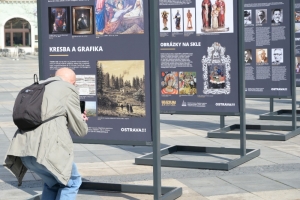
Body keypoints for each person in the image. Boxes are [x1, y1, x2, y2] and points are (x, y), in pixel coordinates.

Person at [4, 68, 88, 199]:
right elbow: (80, 131)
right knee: (71, 183)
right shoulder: (67, 88)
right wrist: (81, 119)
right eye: (75, 83)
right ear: (72, 82)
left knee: (52, 184)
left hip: (25, 152)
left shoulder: (38, 87)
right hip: (50, 152)